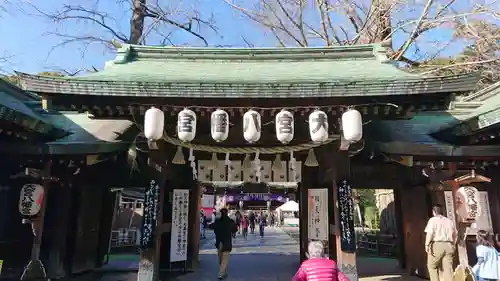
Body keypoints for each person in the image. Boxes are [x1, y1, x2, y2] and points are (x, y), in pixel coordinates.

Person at [424, 204, 457, 281]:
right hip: (449, 245)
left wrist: (427, 244)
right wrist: (453, 244)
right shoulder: (449, 221)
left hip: (437, 244)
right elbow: (455, 234)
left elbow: (430, 233)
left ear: (433, 212)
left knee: (432, 266)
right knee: (448, 269)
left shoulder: (432, 220)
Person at [209, 208, 238, 279]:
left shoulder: (218, 221)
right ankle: (222, 272)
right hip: (227, 243)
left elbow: (211, 226)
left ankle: (222, 272)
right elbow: (235, 229)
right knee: (224, 259)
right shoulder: (230, 221)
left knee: (220, 259)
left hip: (219, 243)